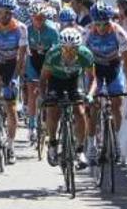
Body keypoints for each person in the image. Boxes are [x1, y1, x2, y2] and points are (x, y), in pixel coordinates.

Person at [84, 2, 127, 163]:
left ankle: (118, 142)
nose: (101, 27)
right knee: (93, 106)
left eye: (104, 24)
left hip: (114, 66)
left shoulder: (119, 33)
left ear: (110, 21)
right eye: (97, 24)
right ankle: (91, 145)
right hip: (94, 67)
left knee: (117, 103)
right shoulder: (87, 33)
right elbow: (84, 60)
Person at [41, 28, 95, 168]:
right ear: (61, 47)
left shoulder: (85, 54)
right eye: (66, 49)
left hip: (74, 80)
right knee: (52, 110)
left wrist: (89, 94)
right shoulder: (53, 54)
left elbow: (93, 78)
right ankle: (52, 144)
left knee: (80, 111)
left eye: (73, 50)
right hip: (55, 80)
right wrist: (43, 97)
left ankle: (80, 150)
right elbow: (43, 78)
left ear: (79, 48)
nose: (70, 53)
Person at [0, 0, 27, 164]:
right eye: (1, 12)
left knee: (10, 106)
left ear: (12, 13)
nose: (4, 16)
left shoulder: (20, 29)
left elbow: (21, 56)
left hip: (11, 64)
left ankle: (10, 146)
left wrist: (15, 78)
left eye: (8, 13)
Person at [25, 3, 61, 144]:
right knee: (31, 90)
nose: (38, 21)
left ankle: (47, 118)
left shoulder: (52, 30)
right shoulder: (27, 30)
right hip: (33, 59)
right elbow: (23, 50)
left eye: (41, 18)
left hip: (48, 60)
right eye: (36, 18)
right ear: (31, 17)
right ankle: (32, 126)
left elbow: (57, 53)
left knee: (49, 91)